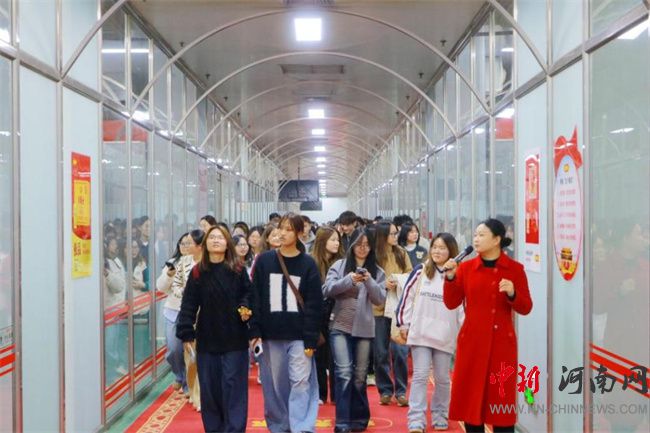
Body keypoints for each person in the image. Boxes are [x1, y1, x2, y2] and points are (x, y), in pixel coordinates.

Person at [443, 219, 532, 433]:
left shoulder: (515, 269)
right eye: (475, 234)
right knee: (472, 405)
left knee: (501, 405)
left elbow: (526, 307)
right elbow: (451, 303)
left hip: (502, 348)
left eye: (481, 235)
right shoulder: (466, 268)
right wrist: (450, 278)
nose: (476, 239)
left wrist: (513, 293)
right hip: (472, 344)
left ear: (497, 239)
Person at [248, 213, 323, 433]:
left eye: (289, 229)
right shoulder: (264, 261)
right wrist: (255, 330)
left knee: (301, 381)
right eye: (281, 228)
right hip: (271, 334)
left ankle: (302, 427)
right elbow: (255, 297)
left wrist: (310, 338)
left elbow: (314, 304)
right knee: (275, 385)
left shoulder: (308, 264)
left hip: (299, 336)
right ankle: (280, 426)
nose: (282, 233)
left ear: (300, 233)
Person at [176, 225, 253, 433]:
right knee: (210, 392)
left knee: (234, 389)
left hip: (235, 340)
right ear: (205, 244)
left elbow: (248, 294)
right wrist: (186, 331)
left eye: (220, 237)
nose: (216, 240)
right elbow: (189, 303)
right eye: (212, 237)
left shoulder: (238, 270)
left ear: (227, 243)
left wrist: (245, 307)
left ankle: (234, 429)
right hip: (207, 340)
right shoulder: (198, 272)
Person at [395, 233, 464, 432]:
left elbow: (462, 306)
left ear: (451, 251)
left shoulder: (458, 275)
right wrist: (403, 324)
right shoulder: (421, 270)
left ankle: (440, 413)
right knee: (420, 375)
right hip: (421, 333)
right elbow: (407, 298)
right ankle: (416, 419)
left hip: (445, 335)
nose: (437, 251)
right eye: (434, 247)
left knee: (442, 377)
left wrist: (464, 332)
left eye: (442, 248)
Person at [323, 228, 387, 433]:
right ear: (351, 245)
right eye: (359, 244)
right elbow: (327, 289)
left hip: (365, 329)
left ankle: (359, 419)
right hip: (339, 326)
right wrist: (349, 280)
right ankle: (342, 422)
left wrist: (368, 280)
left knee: (360, 376)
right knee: (343, 373)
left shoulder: (377, 271)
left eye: (367, 245)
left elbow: (380, 299)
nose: (362, 248)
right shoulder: (339, 266)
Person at [156, 230, 203, 396]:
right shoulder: (173, 263)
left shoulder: (203, 262)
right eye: (183, 243)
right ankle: (180, 375)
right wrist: (169, 276)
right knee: (174, 349)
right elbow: (161, 287)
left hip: (195, 312)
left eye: (189, 243)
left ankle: (189, 384)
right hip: (174, 310)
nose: (185, 246)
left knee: (193, 350)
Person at [373, 221, 413, 406]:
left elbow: (411, 275)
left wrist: (399, 281)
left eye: (396, 233)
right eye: (392, 234)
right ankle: (385, 390)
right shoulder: (374, 255)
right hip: (378, 309)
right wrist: (383, 285)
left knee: (400, 351)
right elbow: (368, 281)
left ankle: (401, 391)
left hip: (398, 309)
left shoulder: (401, 253)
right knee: (380, 353)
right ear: (382, 236)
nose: (396, 237)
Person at [311, 226, 345, 404]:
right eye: (332, 240)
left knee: (337, 355)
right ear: (322, 241)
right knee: (318, 353)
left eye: (338, 240)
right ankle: (320, 393)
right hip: (317, 312)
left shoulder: (342, 263)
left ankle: (337, 394)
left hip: (337, 311)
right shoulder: (312, 263)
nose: (336, 243)